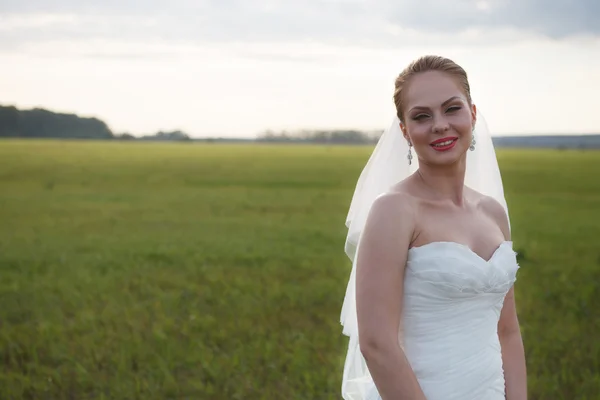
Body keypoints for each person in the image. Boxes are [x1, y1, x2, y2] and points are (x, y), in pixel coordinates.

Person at [339, 55, 527, 400]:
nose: (439, 125)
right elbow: (377, 344)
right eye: (422, 116)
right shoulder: (394, 210)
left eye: (451, 109)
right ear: (405, 131)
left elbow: (507, 331)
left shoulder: (492, 212)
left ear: (472, 113)